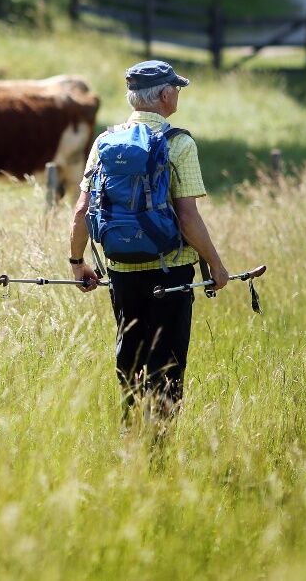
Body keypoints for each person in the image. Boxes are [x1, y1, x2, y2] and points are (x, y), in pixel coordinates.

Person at [68, 60, 229, 419]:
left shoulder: (104, 142)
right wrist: (216, 265)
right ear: (166, 95)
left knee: (130, 357)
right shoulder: (179, 143)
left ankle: (130, 432)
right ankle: (158, 442)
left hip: (121, 271)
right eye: (176, 89)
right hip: (170, 272)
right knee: (166, 364)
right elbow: (187, 217)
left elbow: (82, 210)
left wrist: (77, 263)